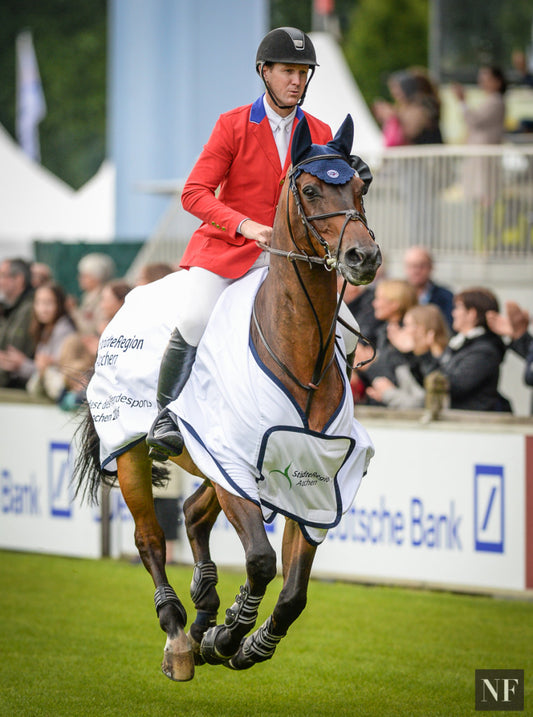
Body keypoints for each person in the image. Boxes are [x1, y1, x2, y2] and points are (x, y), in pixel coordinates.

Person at [147, 27, 337, 460]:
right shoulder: (232, 125)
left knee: (339, 325)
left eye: (304, 72)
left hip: (290, 257)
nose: (297, 81)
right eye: (288, 71)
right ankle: (167, 414)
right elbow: (194, 192)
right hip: (227, 249)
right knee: (195, 318)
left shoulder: (320, 130)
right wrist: (245, 226)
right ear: (264, 72)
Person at [438, 287, 512, 412]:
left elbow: (454, 387)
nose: (453, 313)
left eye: (458, 307)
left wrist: (425, 356)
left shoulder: (484, 351)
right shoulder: (457, 344)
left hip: (474, 423)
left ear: (472, 313)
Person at [368, 304, 449, 408]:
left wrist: (387, 394)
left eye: (406, 325)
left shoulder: (443, 359)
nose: (403, 331)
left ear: (422, 329)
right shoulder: (409, 358)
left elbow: (421, 402)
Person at [355, 279, 418, 404]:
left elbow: (398, 379)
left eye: (379, 299)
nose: (374, 304)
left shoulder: (407, 334)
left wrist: (369, 366)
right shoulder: (384, 331)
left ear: (395, 304)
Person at [452, 66, 507, 209]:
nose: (482, 83)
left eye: (486, 79)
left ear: (497, 81)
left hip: (485, 158)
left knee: (486, 193)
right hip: (479, 156)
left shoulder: (496, 101)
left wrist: (462, 101)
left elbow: (473, 120)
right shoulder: (489, 101)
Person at [18, 283, 78, 399]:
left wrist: (21, 364)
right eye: (38, 303)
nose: (42, 309)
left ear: (59, 304)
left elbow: (56, 371)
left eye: (48, 303)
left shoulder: (64, 330)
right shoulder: (45, 329)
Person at [0, 258, 35, 388]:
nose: (0, 281)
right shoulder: (12, 308)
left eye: (2, 275)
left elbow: (10, 360)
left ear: (19, 279)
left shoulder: (29, 310)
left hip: (19, 385)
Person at [403, 246, 454, 328]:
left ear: (431, 267)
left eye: (422, 265)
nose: (416, 271)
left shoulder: (446, 297)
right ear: (405, 268)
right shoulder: (398, 296)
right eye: (412, 266)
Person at [72, 253, 116, 337]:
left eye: (85, 276)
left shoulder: (104, 297)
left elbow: (92, 327)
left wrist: (73, 312)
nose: (80, 279)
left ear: (97, 277)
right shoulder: (88, 296)